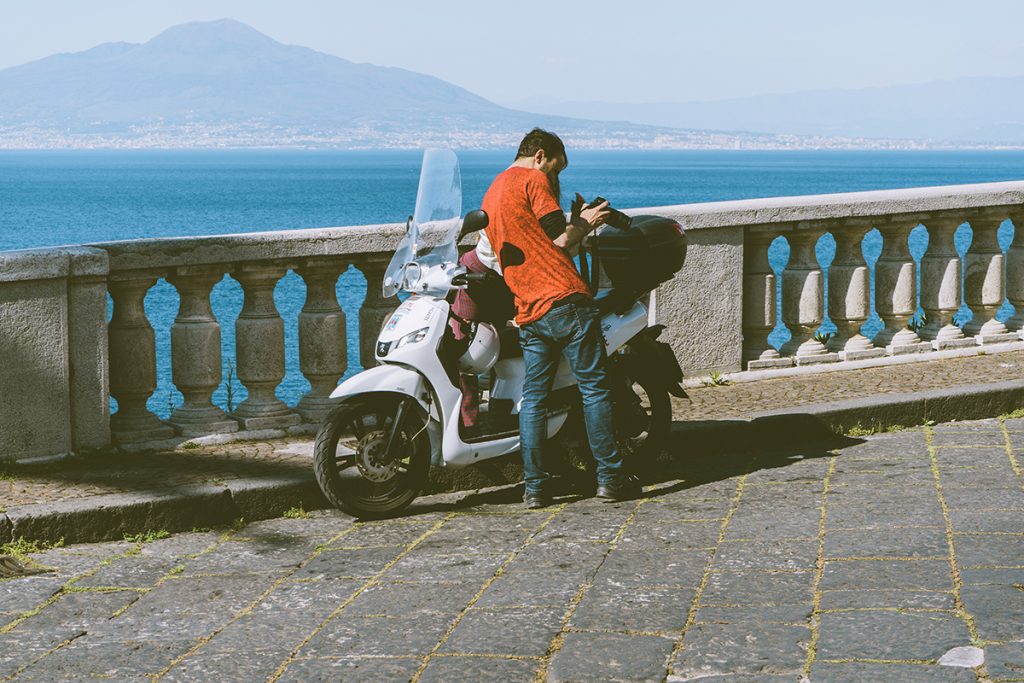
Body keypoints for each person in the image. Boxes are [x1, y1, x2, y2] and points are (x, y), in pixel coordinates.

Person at [481, 127, 640, 508]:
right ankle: (610, 478)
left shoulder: (494, 189)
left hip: (528, 308)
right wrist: (589, 220)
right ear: (539, 155)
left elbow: (529, 239)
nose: (556, 178)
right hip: (564, 298)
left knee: (533, 398)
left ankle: (534, 488)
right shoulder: (533, 179)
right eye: (556, 168)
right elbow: (560, 241)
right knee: (594, 389)